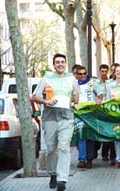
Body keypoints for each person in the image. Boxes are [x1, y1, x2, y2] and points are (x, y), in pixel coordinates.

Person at [31, 54, 79, 191]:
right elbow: (34, 96)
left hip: (67, 117)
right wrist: (46, 101)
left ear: (65, 64)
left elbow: (76, 96)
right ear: (54, 65)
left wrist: (75, 102)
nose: (60, 64)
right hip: (50, 118)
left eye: (62, 62)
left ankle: (62, 179)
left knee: (64, 148)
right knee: (52, 149)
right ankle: (52, 173)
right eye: (57, 62)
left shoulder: (71, 79)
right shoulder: (46, 79)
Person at [93, 64, 116, 166]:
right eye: (102, 71)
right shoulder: (94, 83)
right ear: (99, 71)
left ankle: (111, 156)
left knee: (110, 133)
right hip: (98, 111)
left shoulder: (110, 83)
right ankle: (100, 153)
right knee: (99, 132)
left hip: (109, 111)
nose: (104, 73)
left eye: (105, 71)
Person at [75, 66, 95, 169]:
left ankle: (90, 159)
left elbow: (100, 94)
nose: (82, 76)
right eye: (80, 74)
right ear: (77, 75)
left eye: (84, 73)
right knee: (81, 136)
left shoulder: (92, 83)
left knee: (90, 137)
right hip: (79, 114)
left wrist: (98, 104)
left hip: (91, 114)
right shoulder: (74, 84)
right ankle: (82, 160)